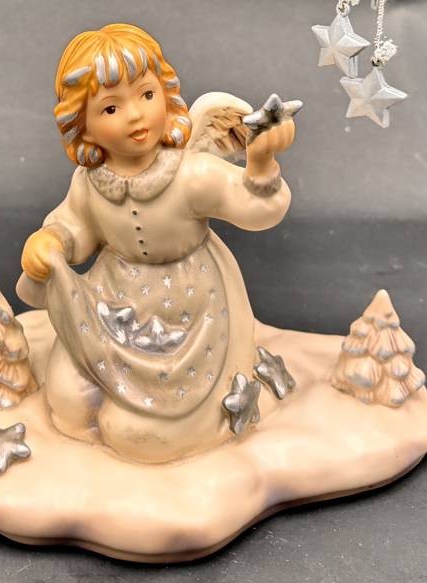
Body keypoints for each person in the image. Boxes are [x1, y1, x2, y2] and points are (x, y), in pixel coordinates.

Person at [17, 23, 295, 463]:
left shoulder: (189, 173)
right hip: (113, 304)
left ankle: (181, 418)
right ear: (82, 128)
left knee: (140, 437)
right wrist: (51, 240)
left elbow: (255, 208)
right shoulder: (90, 182)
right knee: (68, 401)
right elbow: (76, 227)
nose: (135, 116)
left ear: (166, 95)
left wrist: (260, 164)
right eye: (111, 108)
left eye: (147, 95)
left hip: (193, 307)